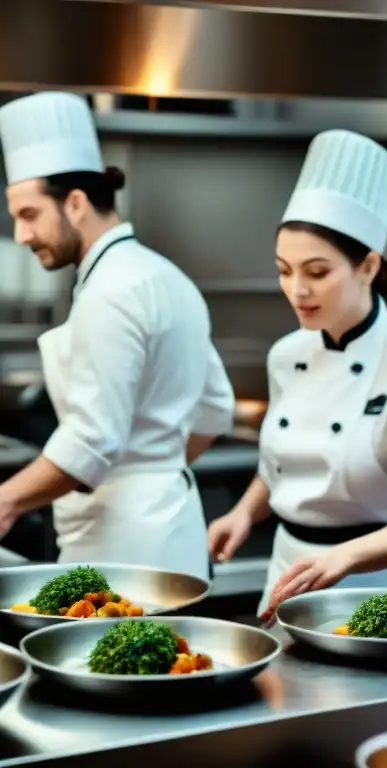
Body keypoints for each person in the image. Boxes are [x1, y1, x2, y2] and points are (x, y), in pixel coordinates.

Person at [205, 130, 387, 618]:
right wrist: (244, 513)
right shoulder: (286, 354)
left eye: (316, 271)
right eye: (284, 270)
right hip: (293, 571)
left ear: (368, 266)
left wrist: (344, 559)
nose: (296, 289)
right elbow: (284, 461)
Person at [0, 92, 234, 579]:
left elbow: (91, 441)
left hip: (121, 550)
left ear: (76, 203)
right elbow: (216, 409)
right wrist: (154, 469)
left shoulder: (109, 292)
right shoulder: (169, 277)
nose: (21, 236)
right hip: (173, 531)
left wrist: (7, 499)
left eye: (28, 215)